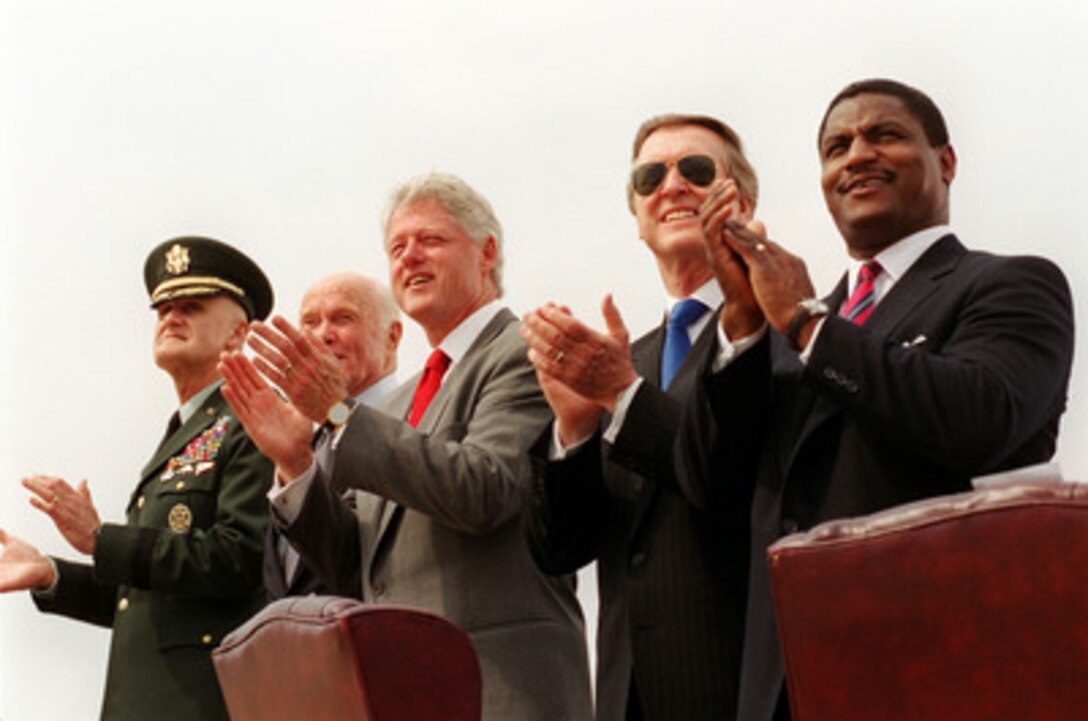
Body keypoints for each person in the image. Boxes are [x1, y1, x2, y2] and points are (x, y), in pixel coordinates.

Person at [677, 78, 1076, 721]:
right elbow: (708, 484)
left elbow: (978, 418)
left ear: (945, 162)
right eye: (836, 147)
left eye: (883, 135)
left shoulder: (1010, 284)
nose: (856, 154)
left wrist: (809, 327)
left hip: (934, 667)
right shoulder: (787, 315)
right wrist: (746, 329)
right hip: (788, 683)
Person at [218, 172, 594, 721]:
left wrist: (340, 413)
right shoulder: (397, 408)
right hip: (406, 693)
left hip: (501, 690)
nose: (409, 258)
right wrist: (295, 462)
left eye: (431, 241)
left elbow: (484, 490)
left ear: (487, 252)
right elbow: (354, 565)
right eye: (397, 247)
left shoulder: (522, 351)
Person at [519, 114, 757, 721]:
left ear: (742, 199)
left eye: (696, 170)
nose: (671, 186)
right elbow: (561, 549)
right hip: (628, 693)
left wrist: (622, 394)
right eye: (650, 177)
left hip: (739, 686)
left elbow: (727, 479)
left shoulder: (778, 334)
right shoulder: (630, 359)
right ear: (637, 219)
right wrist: (572, 429)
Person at [0, 236, 276, 721]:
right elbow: (144, 601)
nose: (171, 317)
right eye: (163, 308)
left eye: (191, 306)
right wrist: (51, 573)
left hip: (204, 703)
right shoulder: (186, 432)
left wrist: (102, 539)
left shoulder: (253, 421)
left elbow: (240, 560)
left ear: (237, 335)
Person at [259, 272, 401, 600]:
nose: (323, 335)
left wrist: (334, 413)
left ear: (392, 337)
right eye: (310, 323)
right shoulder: (298, 439)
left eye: (343, 318)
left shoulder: (415, 419)